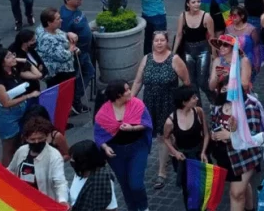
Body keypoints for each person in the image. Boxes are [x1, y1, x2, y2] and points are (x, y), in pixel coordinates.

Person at [130, 31, 189, 189]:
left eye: (162, 40)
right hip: (150, 102)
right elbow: (137, 81)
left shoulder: (174, 59)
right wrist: (129, 100)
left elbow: (186, 81)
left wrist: (183, 104)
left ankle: (162, 171)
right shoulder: (147, 59)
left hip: (168, 102)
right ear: (152, 42)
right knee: (155, 135)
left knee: (164, 136)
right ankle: (172, 152)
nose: (159, 43)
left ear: (167, 42)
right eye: (156, 40)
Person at [94, 81, 152, 211]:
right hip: (116, 152)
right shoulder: (103, 112)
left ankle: (143, 208)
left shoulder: (137, 104)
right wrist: (105, 147)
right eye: (127, 90)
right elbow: (99, 134)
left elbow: (146, 123)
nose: (130, 91)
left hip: (137, 148)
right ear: (118, 94)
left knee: (136, 184)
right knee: (125, 185)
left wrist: (132, 128)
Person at [209, 78, 264, 211]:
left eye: (230, 89)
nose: (227, 92)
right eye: (224, 89)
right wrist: (214, 134)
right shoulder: (218, 105)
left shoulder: (249, 106)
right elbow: (214, 123)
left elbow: (254, 135)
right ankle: (250, 208)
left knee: (236, 194)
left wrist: (230, 136)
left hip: (244, 158)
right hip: (226, 157)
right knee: (242, 188)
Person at [161, 86, 209, 209]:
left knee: (202, 188)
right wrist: (175, 153)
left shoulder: (198, 112)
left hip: (198, 154)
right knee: (188, 190)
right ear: (184, 102)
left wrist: (203, 152)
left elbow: (206, 134)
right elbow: (165, 138)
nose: (197, 99)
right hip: (183, 158)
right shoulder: (171, 121)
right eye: (193, 98)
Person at [8, 117, 68, 206]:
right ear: (26, 139)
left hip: (42, 203)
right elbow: (11, 170)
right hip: (22, 199)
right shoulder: (21, 151)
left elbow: (60, 182)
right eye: (32, 139)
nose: (36, 142)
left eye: (40, 138)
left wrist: (62, 200)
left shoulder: (54, 156)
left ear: (46, 137)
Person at [59, 0, 94, 114]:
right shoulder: (64, 16)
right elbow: (61, 35)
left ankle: (76, 98)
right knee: (81, 75)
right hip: (77, 53)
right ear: (67, 0)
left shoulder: (75, 10)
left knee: (89, 72)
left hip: (85, 50)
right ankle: (75, 100)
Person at [173, 0, 215, 93]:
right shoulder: (182, 16)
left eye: (198, 2)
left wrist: (214, 54)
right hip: (188, 50)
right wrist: (173, 53)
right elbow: (179, 35)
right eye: (193, 2)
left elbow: (212, 37)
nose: (197, 4)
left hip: (203, 50)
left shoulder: (206, 16)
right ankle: (197, 105)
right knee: (191, 81)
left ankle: (215, 101)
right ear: (188, 4)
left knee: (202, 81)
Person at [36, 7, 80, 104]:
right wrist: (72, 47)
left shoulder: (48, 29)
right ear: (49, 23)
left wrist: (68, 34)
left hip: (62, 72)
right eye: (58, 19)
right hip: (58, 74)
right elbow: (63, 56)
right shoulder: (47, 39)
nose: (61, 20)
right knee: (60, 99)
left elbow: (61, 35)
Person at [68, 140, 119, 211]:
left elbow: (112, 208)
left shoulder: (103, 179)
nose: (71, 160)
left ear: (84, 161)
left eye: (74, 158)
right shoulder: (78, 174)